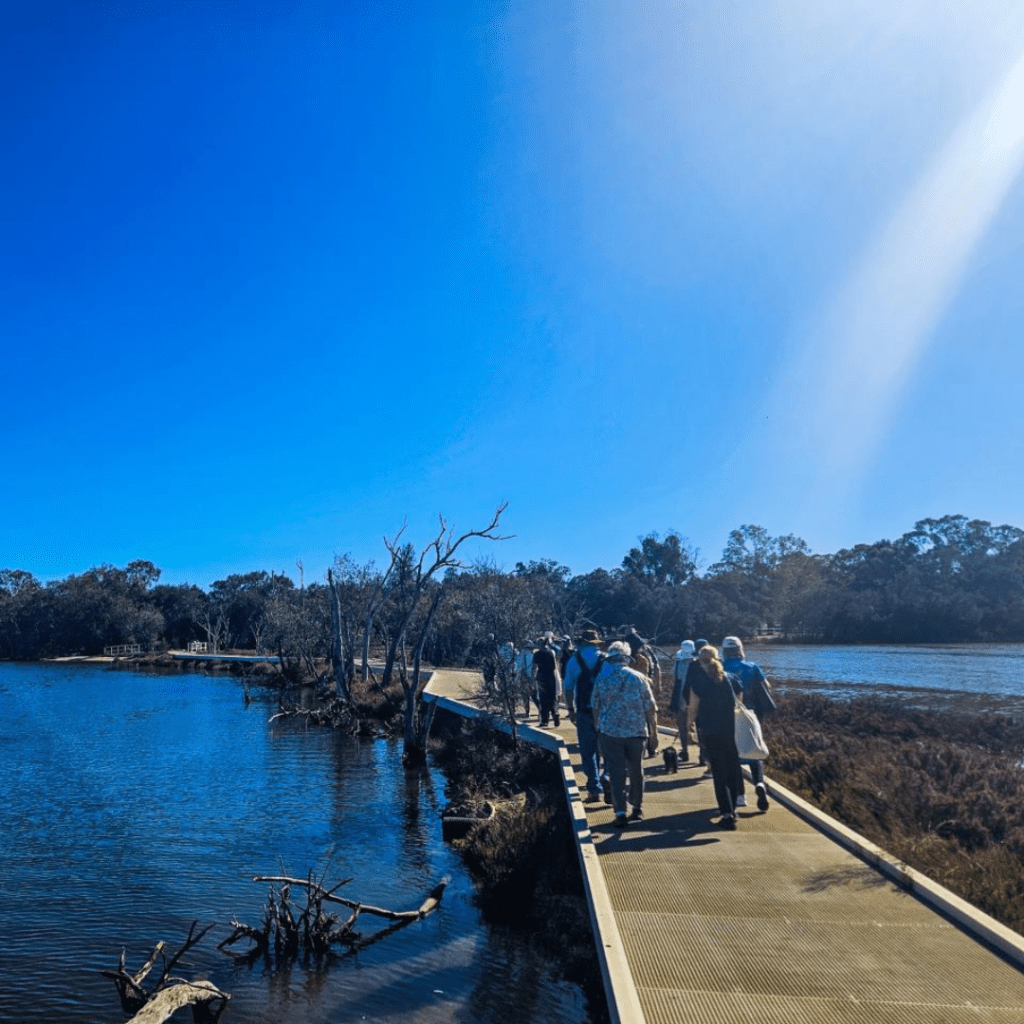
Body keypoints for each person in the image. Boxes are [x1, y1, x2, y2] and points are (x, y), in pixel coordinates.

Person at [592, 641, 659, 828]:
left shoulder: (601, 679)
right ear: (627, 658)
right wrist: (653, 732)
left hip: (610, 732)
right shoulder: (639, 678)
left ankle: (620, 812)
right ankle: (637, 808)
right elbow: (650, 707)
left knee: (616, 772)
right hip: (636, 732)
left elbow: (595, 705)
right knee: (637, 770)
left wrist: (598, 727)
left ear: (610, 659)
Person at [687, 644, 743, 829]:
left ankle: (726, 812)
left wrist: (688, 726)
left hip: (711, 731)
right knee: (732, 770)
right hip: (731, 730)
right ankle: (733, 809)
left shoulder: (698, 681)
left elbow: (693, 708)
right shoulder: (731, 679)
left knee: (719, 772)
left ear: (701, 662)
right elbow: (739, 701)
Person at [722, 635, 775, 811]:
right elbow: (766, 687)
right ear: (740, 649)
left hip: (730, 715)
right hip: (752, 715)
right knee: (754, 749)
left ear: (725, 651)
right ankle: (759, 782)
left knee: (733, 755)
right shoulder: (752, 667)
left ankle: (740, 796)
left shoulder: (720, 668)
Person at [563, 629, 606, 802]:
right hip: (606, 712)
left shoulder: (574, 661)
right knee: (607, 748)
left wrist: (571, 710)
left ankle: (594, 789)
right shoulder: (606, 659)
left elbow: (568, 688)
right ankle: (608, 778)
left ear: (582, 643)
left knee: (588, 751)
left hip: (584, 710)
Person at [668, 640, 696, 762]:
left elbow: (674, 676)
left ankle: (685, 752)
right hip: (696, 697)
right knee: (699, 727)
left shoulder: (678, 664)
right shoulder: (698, 663)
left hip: (680, 698)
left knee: (682, 726)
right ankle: (702, 756)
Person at [532, 633, 561, 727]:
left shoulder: (537, 654)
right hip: (551, 677)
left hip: (541, 678)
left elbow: (534, 668)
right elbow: (554, 667)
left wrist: (533, 679)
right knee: (552, 698)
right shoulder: (551, 652)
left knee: (543, 699)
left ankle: (544, 720)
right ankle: (555, 714)